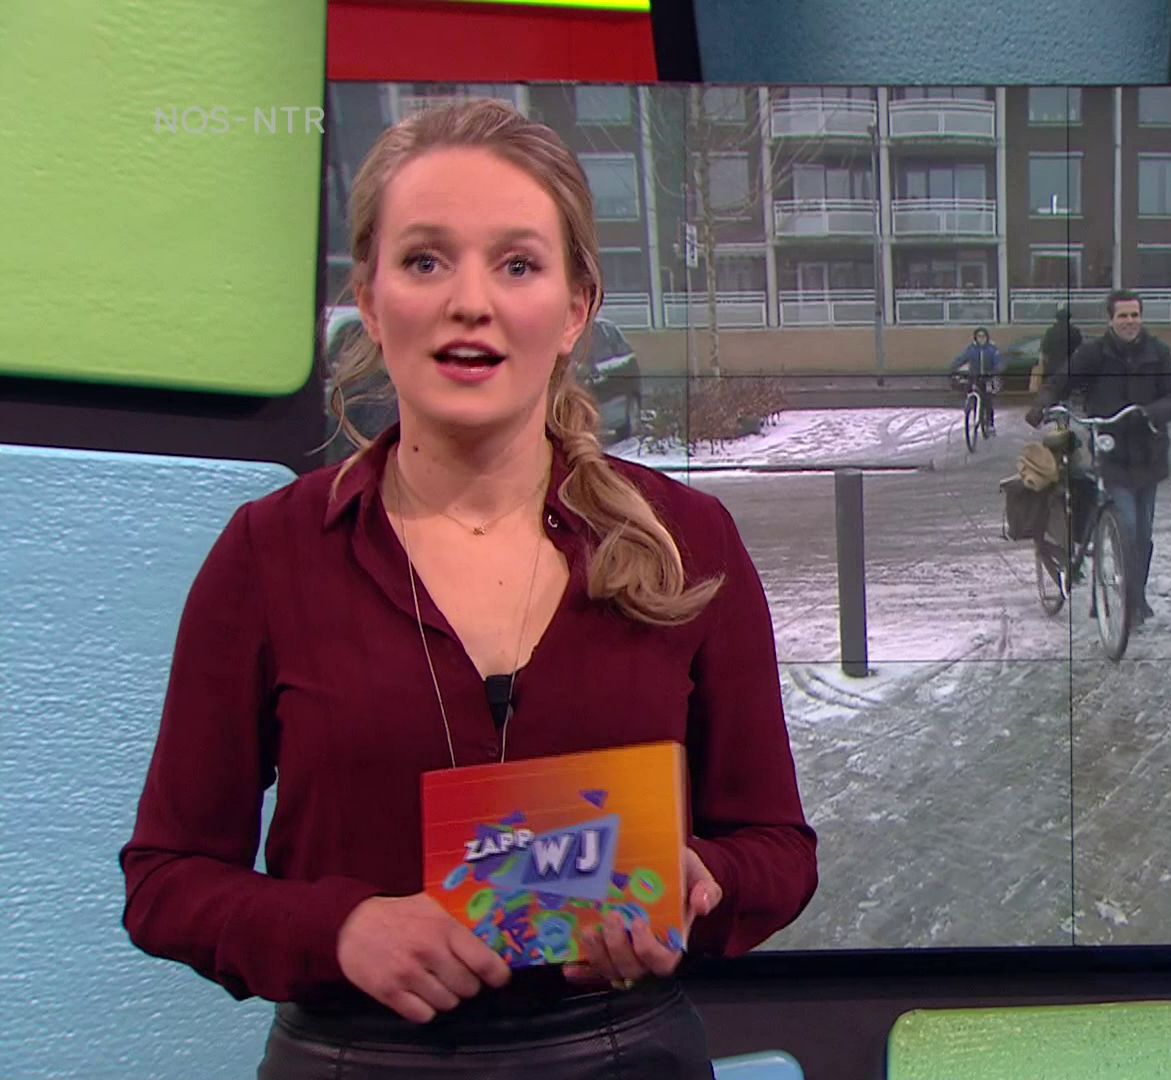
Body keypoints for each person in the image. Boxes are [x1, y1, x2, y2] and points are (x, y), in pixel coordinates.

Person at [119, 100, 817, 1079]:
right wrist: (340, 930)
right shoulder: (268, 555)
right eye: (425, 261)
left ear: (575, 308)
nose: (470, 302)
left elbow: (778, 849)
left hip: (621, 1055)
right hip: (357, 1062)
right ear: (370, 299)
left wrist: (700, 884)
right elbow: (165, 881)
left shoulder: (688, 542)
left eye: (518, 264)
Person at [1025, 289, 1171, 628]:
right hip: (1111, 453)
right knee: (1126, 525)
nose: (1130, 322)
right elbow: (1062, 380)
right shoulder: (1094, 353)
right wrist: (1042, 403)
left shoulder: (1157, 353)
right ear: (1110, 319)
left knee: (1142, 534)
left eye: (1135, 315)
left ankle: (1136, 598)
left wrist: (1152, 412)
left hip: (1149, 454)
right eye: (1123, 316)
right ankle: (1120, 598)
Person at [948, 326, 1004, 435]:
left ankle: (990, 423)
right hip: (974, 377)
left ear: (987, 337)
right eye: (979, 336)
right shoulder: (971, 349)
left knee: (988, 400)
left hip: (988, 377)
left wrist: (996, 370)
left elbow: (998, 362)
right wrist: (953, 368)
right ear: (975, 338)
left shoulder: (992, 349)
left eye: (983, 336)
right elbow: (961, 359)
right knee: (969, 389)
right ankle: (971, 407)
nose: (981, 339)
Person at [1037, 306, 1083, 393]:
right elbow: (1080, 350)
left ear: (1057, 319)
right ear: (1069, 318)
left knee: (1052, 392)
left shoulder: (1050, 332)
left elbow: (1045, 350)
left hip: (1053, 368)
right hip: (1070, 367)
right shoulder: (1075, 331)